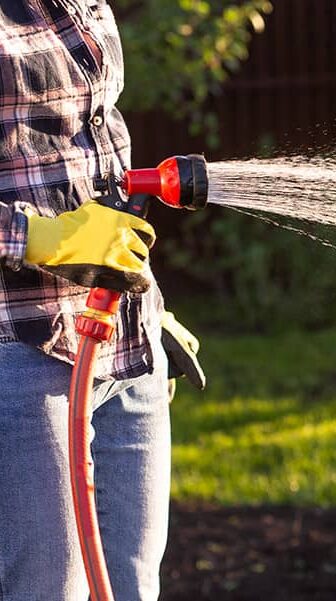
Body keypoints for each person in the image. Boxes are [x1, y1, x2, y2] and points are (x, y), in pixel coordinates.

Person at [0, 1, 203, 599]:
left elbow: (87, 151)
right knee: (47, 588)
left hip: (124, 343)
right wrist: (37, 236)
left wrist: (149, 308)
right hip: (21, 350)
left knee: (130, 586)